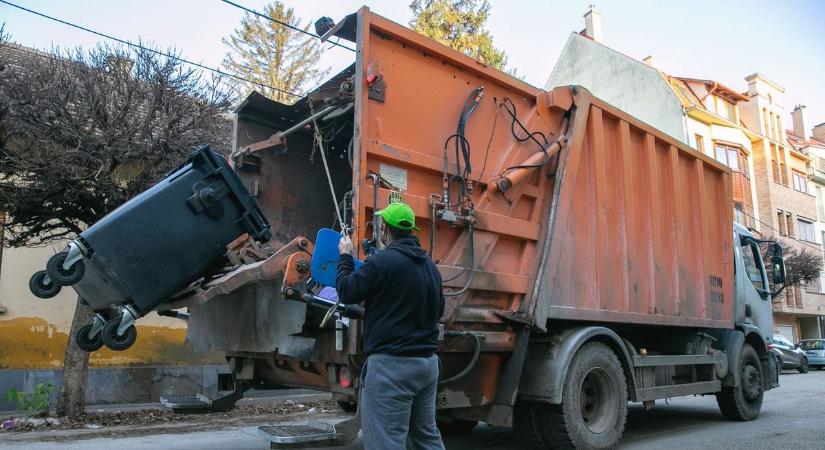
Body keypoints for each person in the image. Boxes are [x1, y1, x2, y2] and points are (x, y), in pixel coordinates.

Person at [336, 202, 445, 450]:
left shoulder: (382, 263)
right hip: (427, 366)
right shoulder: (431, 268)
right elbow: (437, 311)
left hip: (391, 368)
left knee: (385, 441)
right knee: (426, 439)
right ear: (410, 230)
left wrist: (345, 257)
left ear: (385, 229)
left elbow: (346, 290)